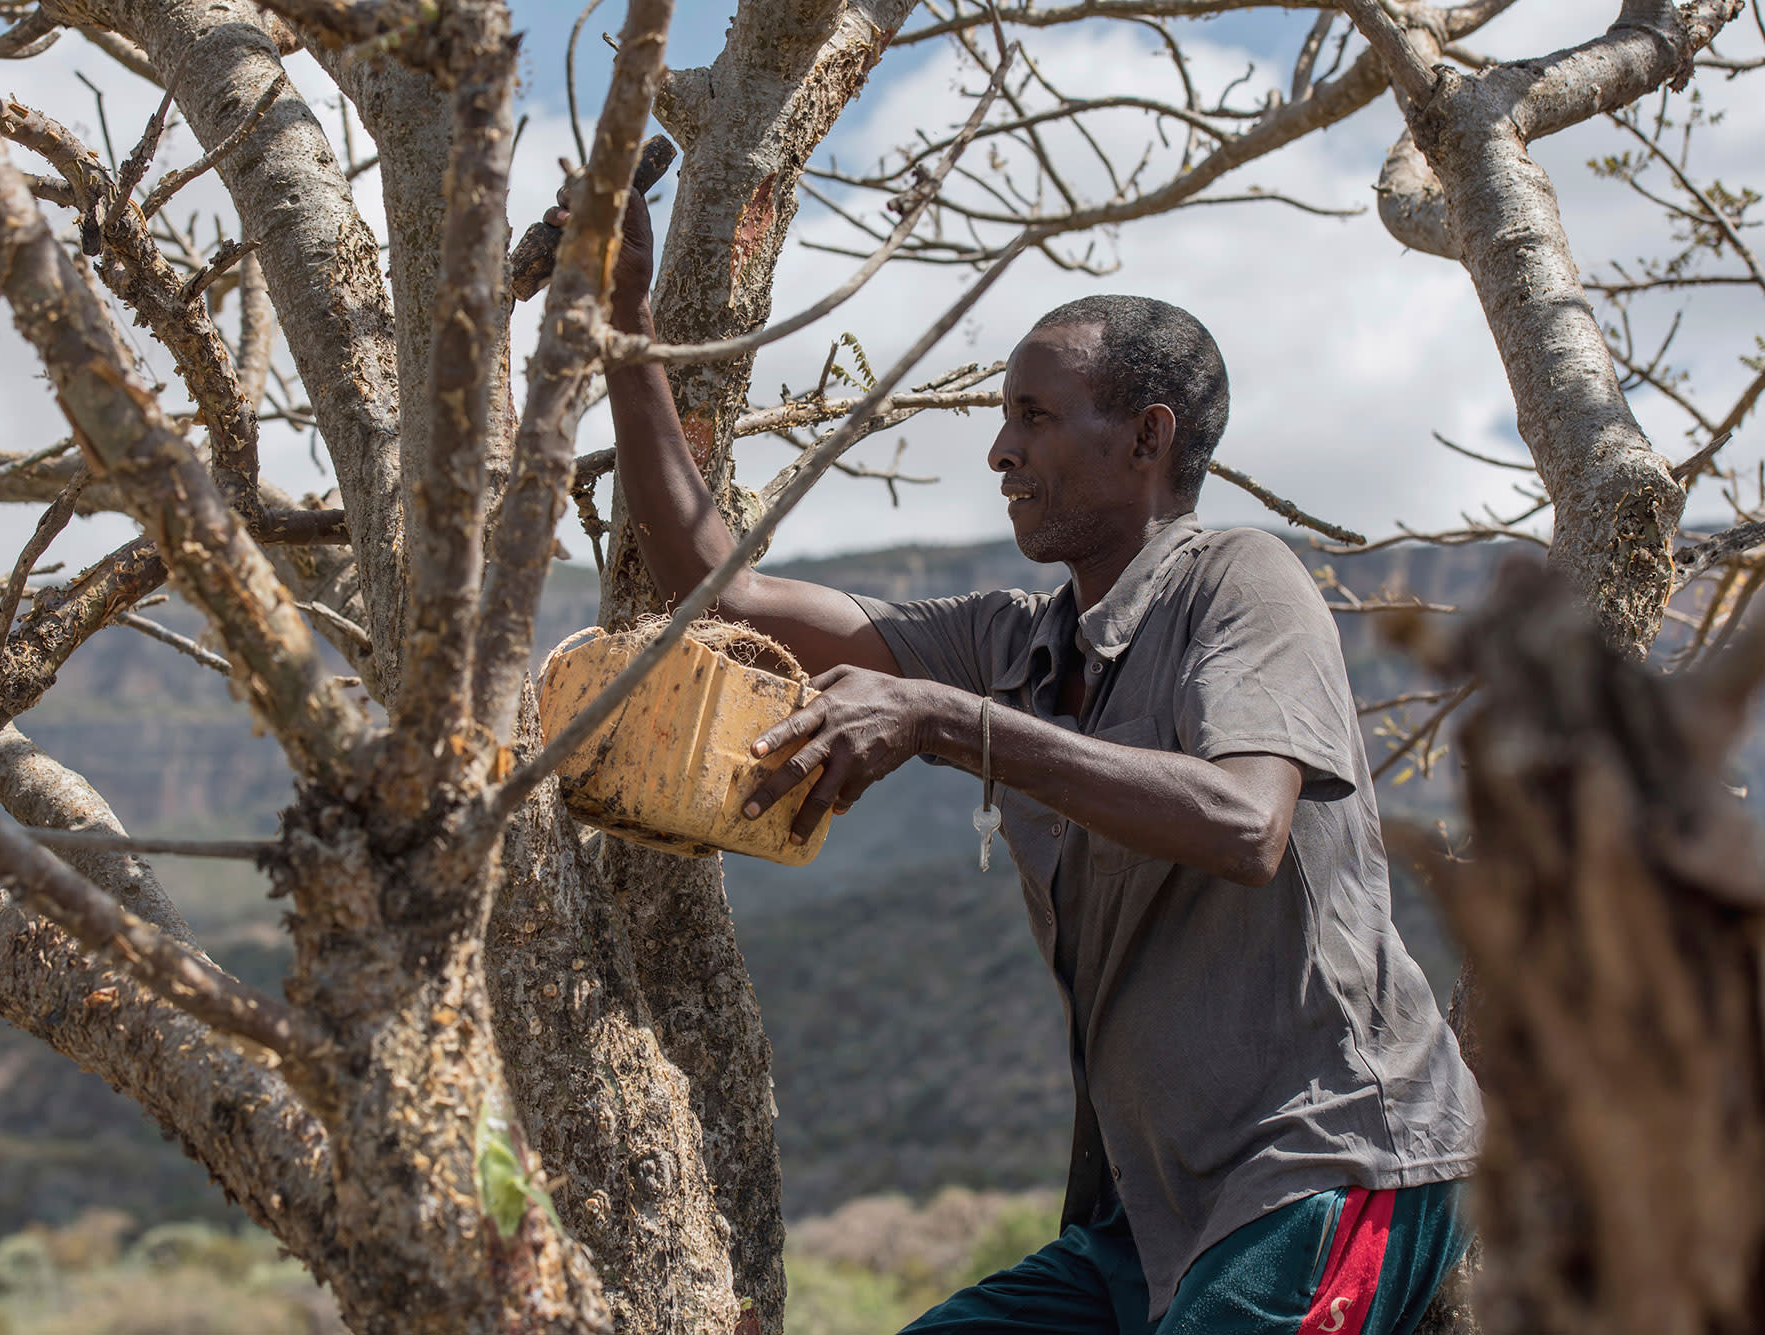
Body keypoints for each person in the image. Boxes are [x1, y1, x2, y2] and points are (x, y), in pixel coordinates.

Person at [574, 185, 1483, 1335]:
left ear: (1147, 437)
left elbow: (1245, 823)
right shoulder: (1012, 640)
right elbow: (720, 586)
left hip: (1324, 1172)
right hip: (1148, 1225)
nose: (1000, 450)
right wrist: (622, 321)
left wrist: (948, 725)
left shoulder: (1240, 581)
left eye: (1034, 416)